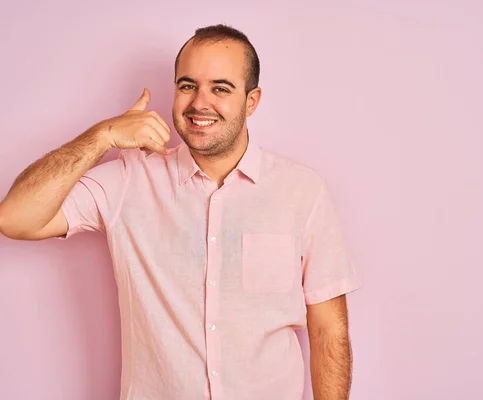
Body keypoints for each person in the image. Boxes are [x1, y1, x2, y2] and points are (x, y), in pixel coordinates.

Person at [0, 24, 361, 400]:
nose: (199, 103)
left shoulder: (301, 192)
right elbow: (14, 218)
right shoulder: (129, 180)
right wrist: (103, 136)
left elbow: (328, 329)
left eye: (220, 88)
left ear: (251, 101)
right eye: (187, 85)